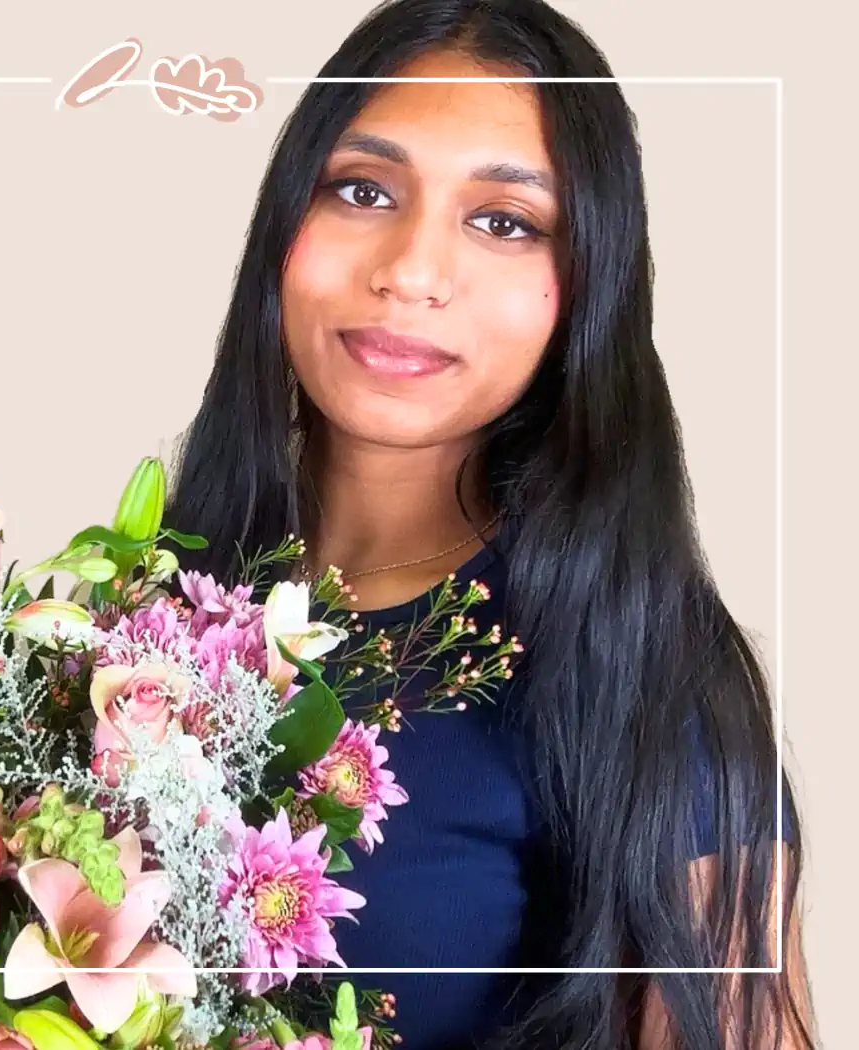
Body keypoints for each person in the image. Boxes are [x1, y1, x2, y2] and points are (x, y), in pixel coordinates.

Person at [160, 1, 815, 1048]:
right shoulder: (140, 633)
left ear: (583, 287)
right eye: (360, 189)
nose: (409, 271)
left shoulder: (646, 671)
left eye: (503, 221)